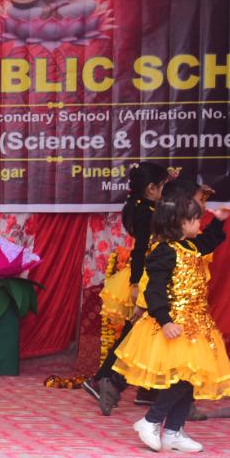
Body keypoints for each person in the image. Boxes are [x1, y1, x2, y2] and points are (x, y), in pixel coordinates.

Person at [113, 196, 230, 453]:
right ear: (180, 223)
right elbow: (154, 290)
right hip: (173, 325)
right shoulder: (164, 252)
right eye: (196, 220)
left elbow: (209, 242)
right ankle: (150, 420)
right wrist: (165, 320)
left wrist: (218, 222)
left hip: (196, 324)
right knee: (182, 378)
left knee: (191, 378)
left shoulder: (192, 245)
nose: (199, 224)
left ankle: (173, 431)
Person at [83, 162, 171, 415]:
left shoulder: (147, 206)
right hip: (145, 277)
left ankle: (147, 388)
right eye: (163, 186)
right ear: (151, 189)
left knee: (147, 331)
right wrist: (135, 283)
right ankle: (102, 379)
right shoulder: (145, 212)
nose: (165, 191)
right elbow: (140, 249)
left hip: (152, 274)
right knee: (136, 332)